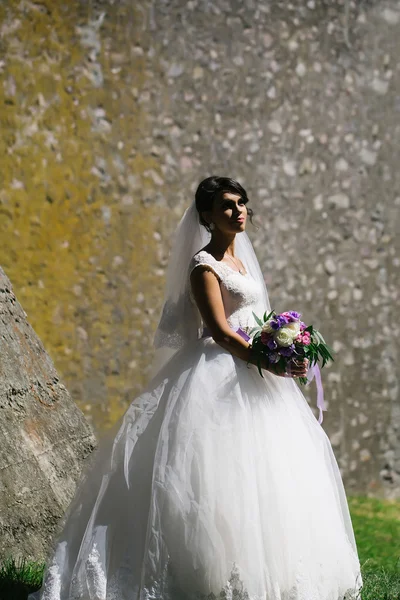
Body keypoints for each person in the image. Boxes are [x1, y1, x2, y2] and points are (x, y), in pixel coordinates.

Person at [29, 176, 363, 600]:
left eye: (242, 202)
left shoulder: (243, 263)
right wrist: (270, 360)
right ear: (206, 215)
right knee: (218, 474)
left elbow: (259, 316)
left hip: (259, 376)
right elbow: (221, 332)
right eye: (226, 205)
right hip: (221, 374)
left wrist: (286, 346)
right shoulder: (204, 266)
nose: (238, 211)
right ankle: (205, 573)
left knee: (274, 471)